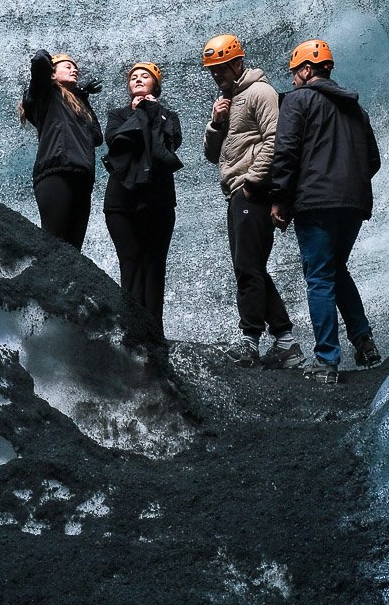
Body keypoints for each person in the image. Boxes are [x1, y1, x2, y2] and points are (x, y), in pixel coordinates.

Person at [270, 39, 382, 386]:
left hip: (315, 201)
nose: (292, 80)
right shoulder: (355, 109)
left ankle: (326, 360)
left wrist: (279, 199)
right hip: (353, 202)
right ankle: (364, 342)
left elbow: (286, 152)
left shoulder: (297, 101)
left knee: (319, 276)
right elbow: (372, 160)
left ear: (306, 70)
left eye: (294, 73)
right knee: (335, 269)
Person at [201, 33, 304, 369]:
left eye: (221, 68)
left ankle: (250, 340)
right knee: (252, 266)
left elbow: (277, 141)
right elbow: (210, 154)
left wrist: (251, 183)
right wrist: (217, 123)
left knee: (247, 267)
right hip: (237, 193)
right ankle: (286, 341)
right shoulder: (226, 101)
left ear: (237, 62)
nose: (217, 75)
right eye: (213, 70)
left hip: (250, 193)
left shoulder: (260, 92)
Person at [102, 61, 183, 339]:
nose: (137, 80)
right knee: (131, 262)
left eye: (144, 76)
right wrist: (138, 115)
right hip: (121, 204)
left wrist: (153, 113)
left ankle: (154, 334)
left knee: (154, 266)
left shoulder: (168, 116)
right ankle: (132, 333)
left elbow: (168, 146)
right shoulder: (117, 114)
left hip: (158, 201)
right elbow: (115, 140)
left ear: (155, 85)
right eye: (133, 77)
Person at [20, 50, 103, 248]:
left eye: (76, 68)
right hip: (56, 172)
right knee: (54, 242)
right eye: (68, 66)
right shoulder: (45, 95)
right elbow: (40, 60)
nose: (74, 70)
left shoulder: (78, 104)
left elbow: (97, 136)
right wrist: (50, 64)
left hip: (82, 176)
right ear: (52, 73)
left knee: (74, 249)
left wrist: (82, 97)